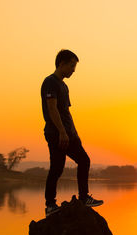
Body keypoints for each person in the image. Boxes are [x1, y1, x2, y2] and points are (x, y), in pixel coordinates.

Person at [41, 49, 103, 217]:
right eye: (72, 65)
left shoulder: (64, 86)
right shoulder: (50, 82)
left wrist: (74, 133)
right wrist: (62, 132)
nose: (73, 70)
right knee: (57, 168)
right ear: (62, 64)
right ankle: (50, 205)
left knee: (84, 160)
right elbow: (52, 109)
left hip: (68, 134)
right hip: (57, 134)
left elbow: (66, 112)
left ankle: (84, 198)